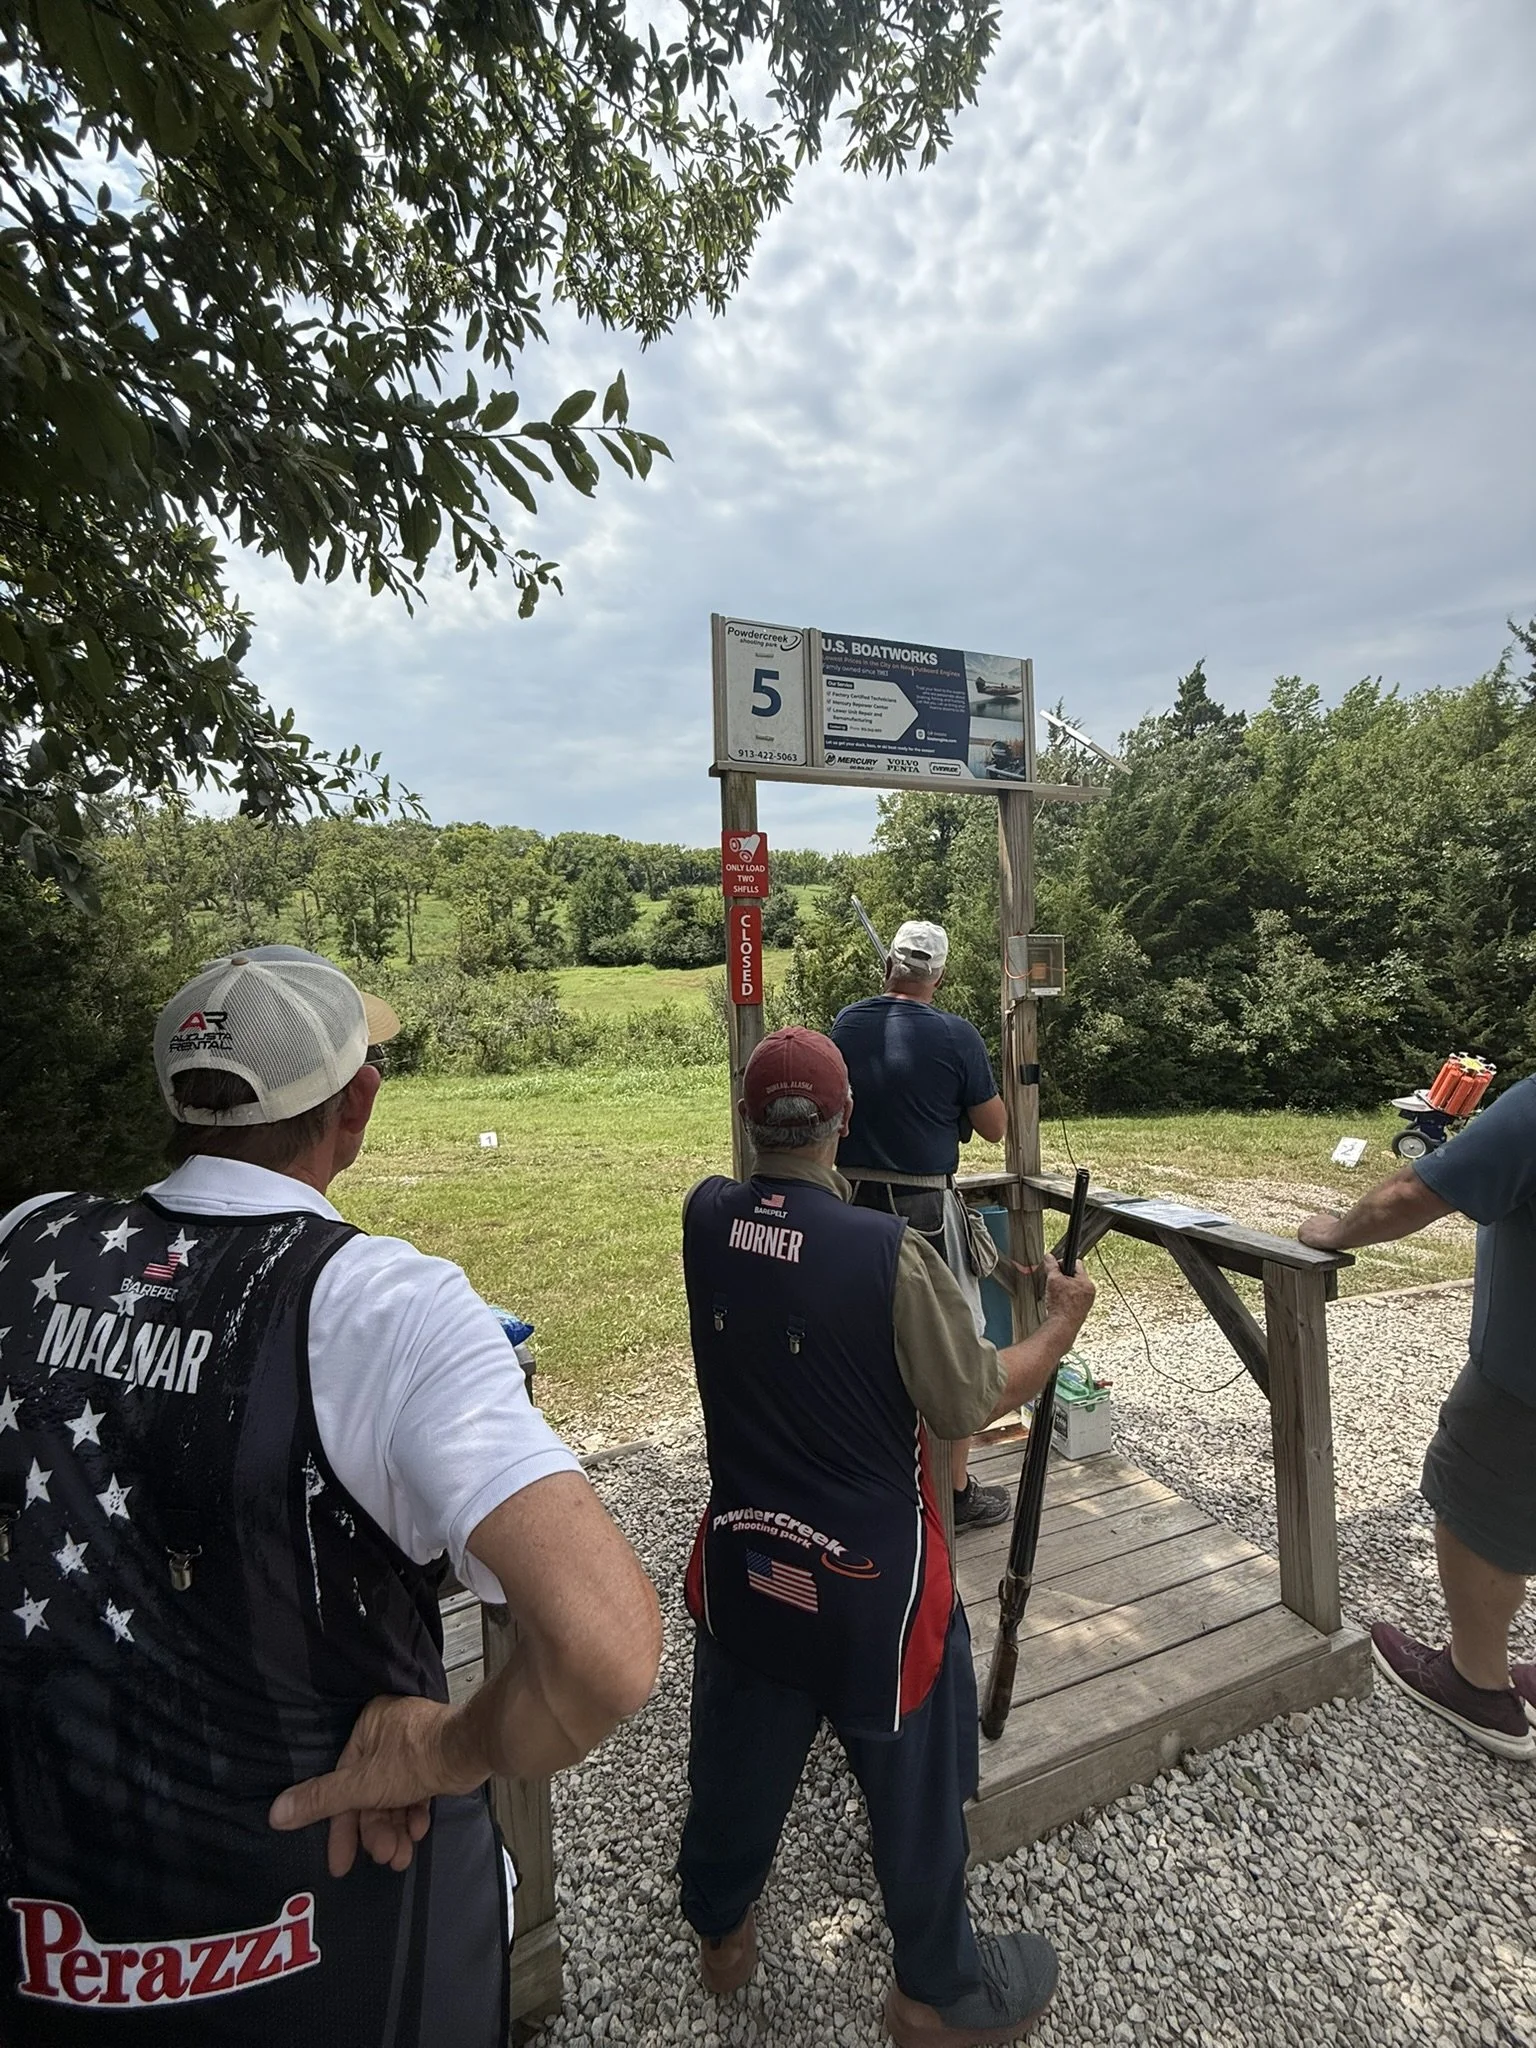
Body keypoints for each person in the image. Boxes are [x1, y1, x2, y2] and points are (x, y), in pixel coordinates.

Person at [0, 946, 661, 2042]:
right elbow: (606, 1647)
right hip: (318, 1943)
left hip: (50, 1938)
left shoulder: (25, 1242)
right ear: (357, 1104)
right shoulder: (385, 1302)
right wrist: (443, 1749)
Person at [677, 1028, 1096, 2047]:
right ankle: (936, 1986)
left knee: (735, 1759)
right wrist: (1061, 1322)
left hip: (743, 1560)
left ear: (744, 1119)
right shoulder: (888, 1254)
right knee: (914, 1788)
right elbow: (971, 1396)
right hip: (878, 1588)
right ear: (843, 1118)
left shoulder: (703, 1215)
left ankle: (721, 1932)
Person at [1298, 1073, 1536, 1762]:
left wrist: (1333, 1229)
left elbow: (1412, 1193)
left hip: (1522, 1380)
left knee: (1477, 1504)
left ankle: (1476, 1684)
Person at [832, 918, 1014, 1530]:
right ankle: (954, 1492)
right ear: (937, 974)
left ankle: (873, 1472)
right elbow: (994, 1127)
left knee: (864, 1340)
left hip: (852, 1205)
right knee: (957, 1341)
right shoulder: (956, 1035)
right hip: (925, 1212)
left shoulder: (848, 1023)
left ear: (890, 967)